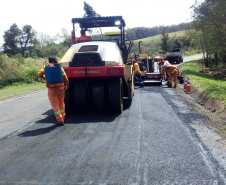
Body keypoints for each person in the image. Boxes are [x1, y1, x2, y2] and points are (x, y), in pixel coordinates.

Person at [38, 56, 69, 126]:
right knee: (61, 103)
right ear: (56, 61)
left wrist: (45, 77)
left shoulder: (46, 67)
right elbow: (66, 79)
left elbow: (39, 75)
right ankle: (63, 117)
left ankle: (60, 121)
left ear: (49, 61)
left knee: (55, 105)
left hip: (52, 89)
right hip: (61, 88)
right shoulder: (59, 68)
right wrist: (67, 86)